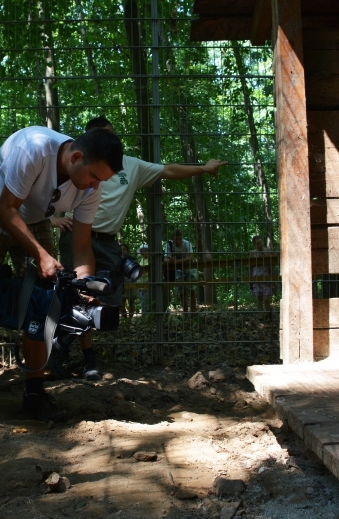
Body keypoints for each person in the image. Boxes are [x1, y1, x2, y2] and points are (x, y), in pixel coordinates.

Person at [0, 126, 123, 420]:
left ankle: (34, 392)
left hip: (34, 220)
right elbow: (6, 210)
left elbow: (82, 245)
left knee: (45, 303)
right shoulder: (34, 147)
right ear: (76, 157)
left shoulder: (90, 187)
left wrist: (85, 286)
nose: (96, 186)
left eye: (102, 181)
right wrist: (41, 256)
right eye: (95, 177)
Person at [51, 116, 227, 379]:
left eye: (109, 137)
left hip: (108, 242)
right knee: (75, 296)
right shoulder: (74, 166)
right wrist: (52, 219)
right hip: (75, 238)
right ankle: (78, 357)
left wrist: (202, 168)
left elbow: (167, 170)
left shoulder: (129, 165)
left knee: (103, 300)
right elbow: (42, 193)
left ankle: (68, 348)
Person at [165, 229, 198, 313]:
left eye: (179, 238)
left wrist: (178, 261)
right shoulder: (169, 245)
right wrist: (169, 260)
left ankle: (193, 312)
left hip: (189, 269)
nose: (178, 241)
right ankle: (186, 314)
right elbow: (165, 258)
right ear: (172, 239)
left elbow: (191, 257)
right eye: (175, 239)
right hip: (177, 270)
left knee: (192, 290)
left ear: (182, 238)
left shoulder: (187, 243)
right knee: (181, 292)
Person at [249, 234, 276, 317]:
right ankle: (260, 316)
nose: (260, 245)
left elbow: (272, 264)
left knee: (266, 298)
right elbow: (250, 267)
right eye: (258, 243)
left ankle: (268, 314)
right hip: (256, 278)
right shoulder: (252, 253)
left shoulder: (267, 251)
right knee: (259, 298)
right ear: (254, 245)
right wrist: (250, 280)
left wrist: (267, 256)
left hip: (266, 277)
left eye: (261, 243)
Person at [119, 243, 136, 318]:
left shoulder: (132, 260)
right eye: (121, 250)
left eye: (124, 249)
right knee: (121, 304)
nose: (122, 251)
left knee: (132, 302)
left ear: (127, 251)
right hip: (121, 284)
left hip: (131, 283)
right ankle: (125, 320)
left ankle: (130, 320)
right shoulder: (117, 260)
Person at [137, 244, 151, 314]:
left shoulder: (150, 260)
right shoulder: (141, 260)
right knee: (143, 303)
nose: (143, 252)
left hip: (147, 285)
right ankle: (144, 318)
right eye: (142, 251)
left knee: (147, 303)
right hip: (140, 286)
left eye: (145, 250)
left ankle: (148, 318)